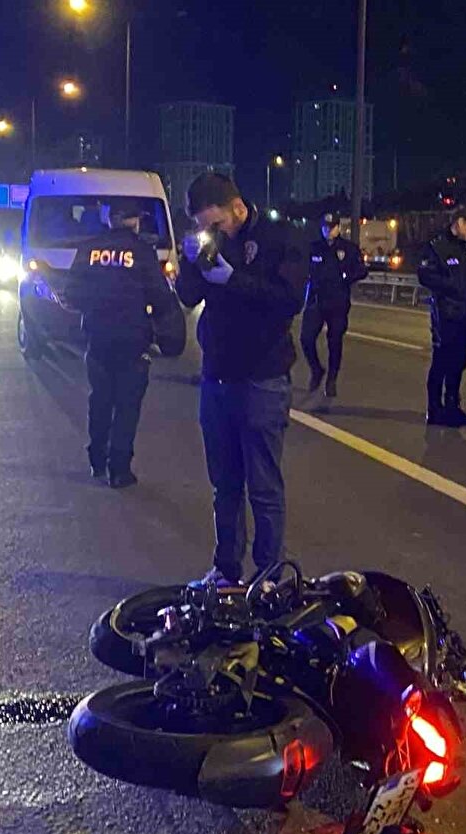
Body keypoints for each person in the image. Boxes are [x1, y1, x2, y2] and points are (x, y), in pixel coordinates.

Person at [176, 173, 306, 587]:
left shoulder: (277, 236)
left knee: (263, 486)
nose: (212, 231)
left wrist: (235, 279)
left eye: (216, 223)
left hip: (263, 377)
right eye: (203, 224)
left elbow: (289, 299)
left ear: (237, 207)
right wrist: (191, 259)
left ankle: (269, 574)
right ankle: (226, 570)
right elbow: (187, 296)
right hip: (216, 374)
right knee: (224, 486)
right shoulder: (209, 240)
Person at [61, 197, 177, 488]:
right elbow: (161, 297)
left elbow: (72, 294)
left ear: (109, 219)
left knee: (100, 399)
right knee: (127, 405)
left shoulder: (88, 250)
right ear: (135, 221)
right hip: (132, 340)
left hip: (98, 338)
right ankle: (120, 469)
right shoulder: (142, 252)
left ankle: (96, 458)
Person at [418, 207, 466, 427]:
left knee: (458, 363)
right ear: (459, 223)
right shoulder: (437, 247)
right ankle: (434, 409)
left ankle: (452, 406)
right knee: (442, 361)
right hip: (446, 315)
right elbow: (425, 275)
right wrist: (452, 287)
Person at [300, 211, 368, 397]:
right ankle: (316, 369)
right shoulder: (313, 248)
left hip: (337, 302)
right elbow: (301, 269)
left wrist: (346, 278)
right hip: (316, 301)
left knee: (334, 342)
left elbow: (361, 270)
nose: (327, 231)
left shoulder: (348, 249)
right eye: (324, 227)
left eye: (331, 228)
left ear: (338, 228)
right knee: (306, 338)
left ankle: (332, 378)